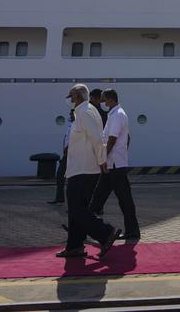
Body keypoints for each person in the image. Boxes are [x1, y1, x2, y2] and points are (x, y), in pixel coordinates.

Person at [57, 84, 121, 258]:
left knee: (77, 210)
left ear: (77, 96)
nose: (69, 100)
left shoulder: (85, 112)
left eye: (71, 96)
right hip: (80, 168)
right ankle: (74, 246)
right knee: (78, 209)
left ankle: (106, 233)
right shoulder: (84, 111)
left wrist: (102, 160)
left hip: (83, 169)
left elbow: (97, 139)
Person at [89, 89, 140, 240]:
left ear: (110, 99)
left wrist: (104, 157)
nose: (102, 101)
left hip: (115, 166)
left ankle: (133, 231)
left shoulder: (117, 115)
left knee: (124, 199)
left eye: (104, 99)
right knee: (98, 198)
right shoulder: (115, 114)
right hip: (113, 164)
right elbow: (127, 138)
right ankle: (83, 226)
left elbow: (112, 139)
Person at [48, 110, 74, 205]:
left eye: (71, 114)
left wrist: (67, 148)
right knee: (60, 176)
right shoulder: (70, 125)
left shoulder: (76, 125)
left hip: (72, 154)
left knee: (68, 178)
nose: (70, 116)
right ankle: (60, 198)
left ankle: (72, 203)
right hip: (67, 154)